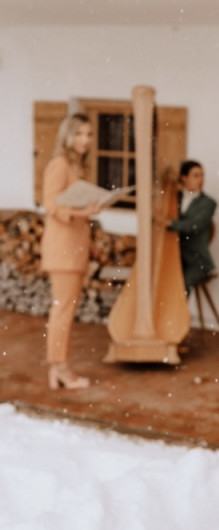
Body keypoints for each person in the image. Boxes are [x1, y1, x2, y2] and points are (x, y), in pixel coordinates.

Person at [41, 113, 102, 390]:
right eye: (79, 134)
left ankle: (59, 368)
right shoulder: (59, 164)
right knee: (63, 309)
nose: (85, 140)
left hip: (75, 247)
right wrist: (81, 211)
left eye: (89, 134)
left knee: (66, 308)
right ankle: (59, 368)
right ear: (67, 135)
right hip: (62, 248)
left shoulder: (78, 166)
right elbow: (50, 206)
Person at [164, 160, 218, 296]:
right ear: (184, 178)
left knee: (180, 284)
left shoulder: (209, 203)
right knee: (165, 281)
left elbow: (194, 225)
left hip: (197, 260)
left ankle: (177, 316)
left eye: (202, 175)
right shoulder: (174, 198)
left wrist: (170, 224)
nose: (201, 179)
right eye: (196, 175)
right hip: (176, 256)